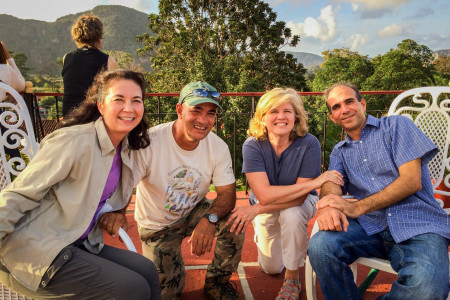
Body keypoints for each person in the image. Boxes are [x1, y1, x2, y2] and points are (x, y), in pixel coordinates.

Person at [0, 69, 161, 300]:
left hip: (76, 242)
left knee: (147, 271)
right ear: (101, 105)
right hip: (32, 250)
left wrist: (117, 210)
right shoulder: (72, 142)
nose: (129, 108)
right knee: (134, 288)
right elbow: (18, 195)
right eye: (119, 99)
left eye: (136, 100)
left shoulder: (125, 147)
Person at [307, 82, 450, 300]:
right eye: (336, 107)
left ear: (362, 104)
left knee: (427, 287)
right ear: (333, 117)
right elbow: (331, 182)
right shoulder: (340, 151)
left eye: (349, 101)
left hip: (419, 225)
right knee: (320, 246)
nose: (344, 109)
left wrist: (357, 207)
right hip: (370, 227)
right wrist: (327, 206)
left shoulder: (397, 126)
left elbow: (411, 181)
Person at [226, 88, 343, 300]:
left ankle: (292, 278)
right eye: (273, 111)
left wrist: (255, 210)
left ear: (296, 116)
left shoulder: (309, 143)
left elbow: (299, 198)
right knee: (271, 268)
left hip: (301, 202)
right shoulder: (252, 145)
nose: (281, 116)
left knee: (292, 214)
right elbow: (264, 196)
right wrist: (316, 182)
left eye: (287, 111)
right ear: (262, 118)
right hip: (266, 205)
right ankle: (279, 240)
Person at [131, 81, 244, 300]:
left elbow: (228, 194)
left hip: (193, 211)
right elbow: (124, 186)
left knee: (235, 222)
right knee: (166, 294)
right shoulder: (150, 142)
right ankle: (173, 268)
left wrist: (209, 220)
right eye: (196, 110)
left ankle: (216, 283)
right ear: (180, 110)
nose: (203, 120)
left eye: (210, 113)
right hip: (157, 227)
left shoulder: (217, 146)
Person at [61, 14, 118, 117]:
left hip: (70, 117)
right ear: (99, 36)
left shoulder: (67, 58)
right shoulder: (109, 60)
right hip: (94, 118)